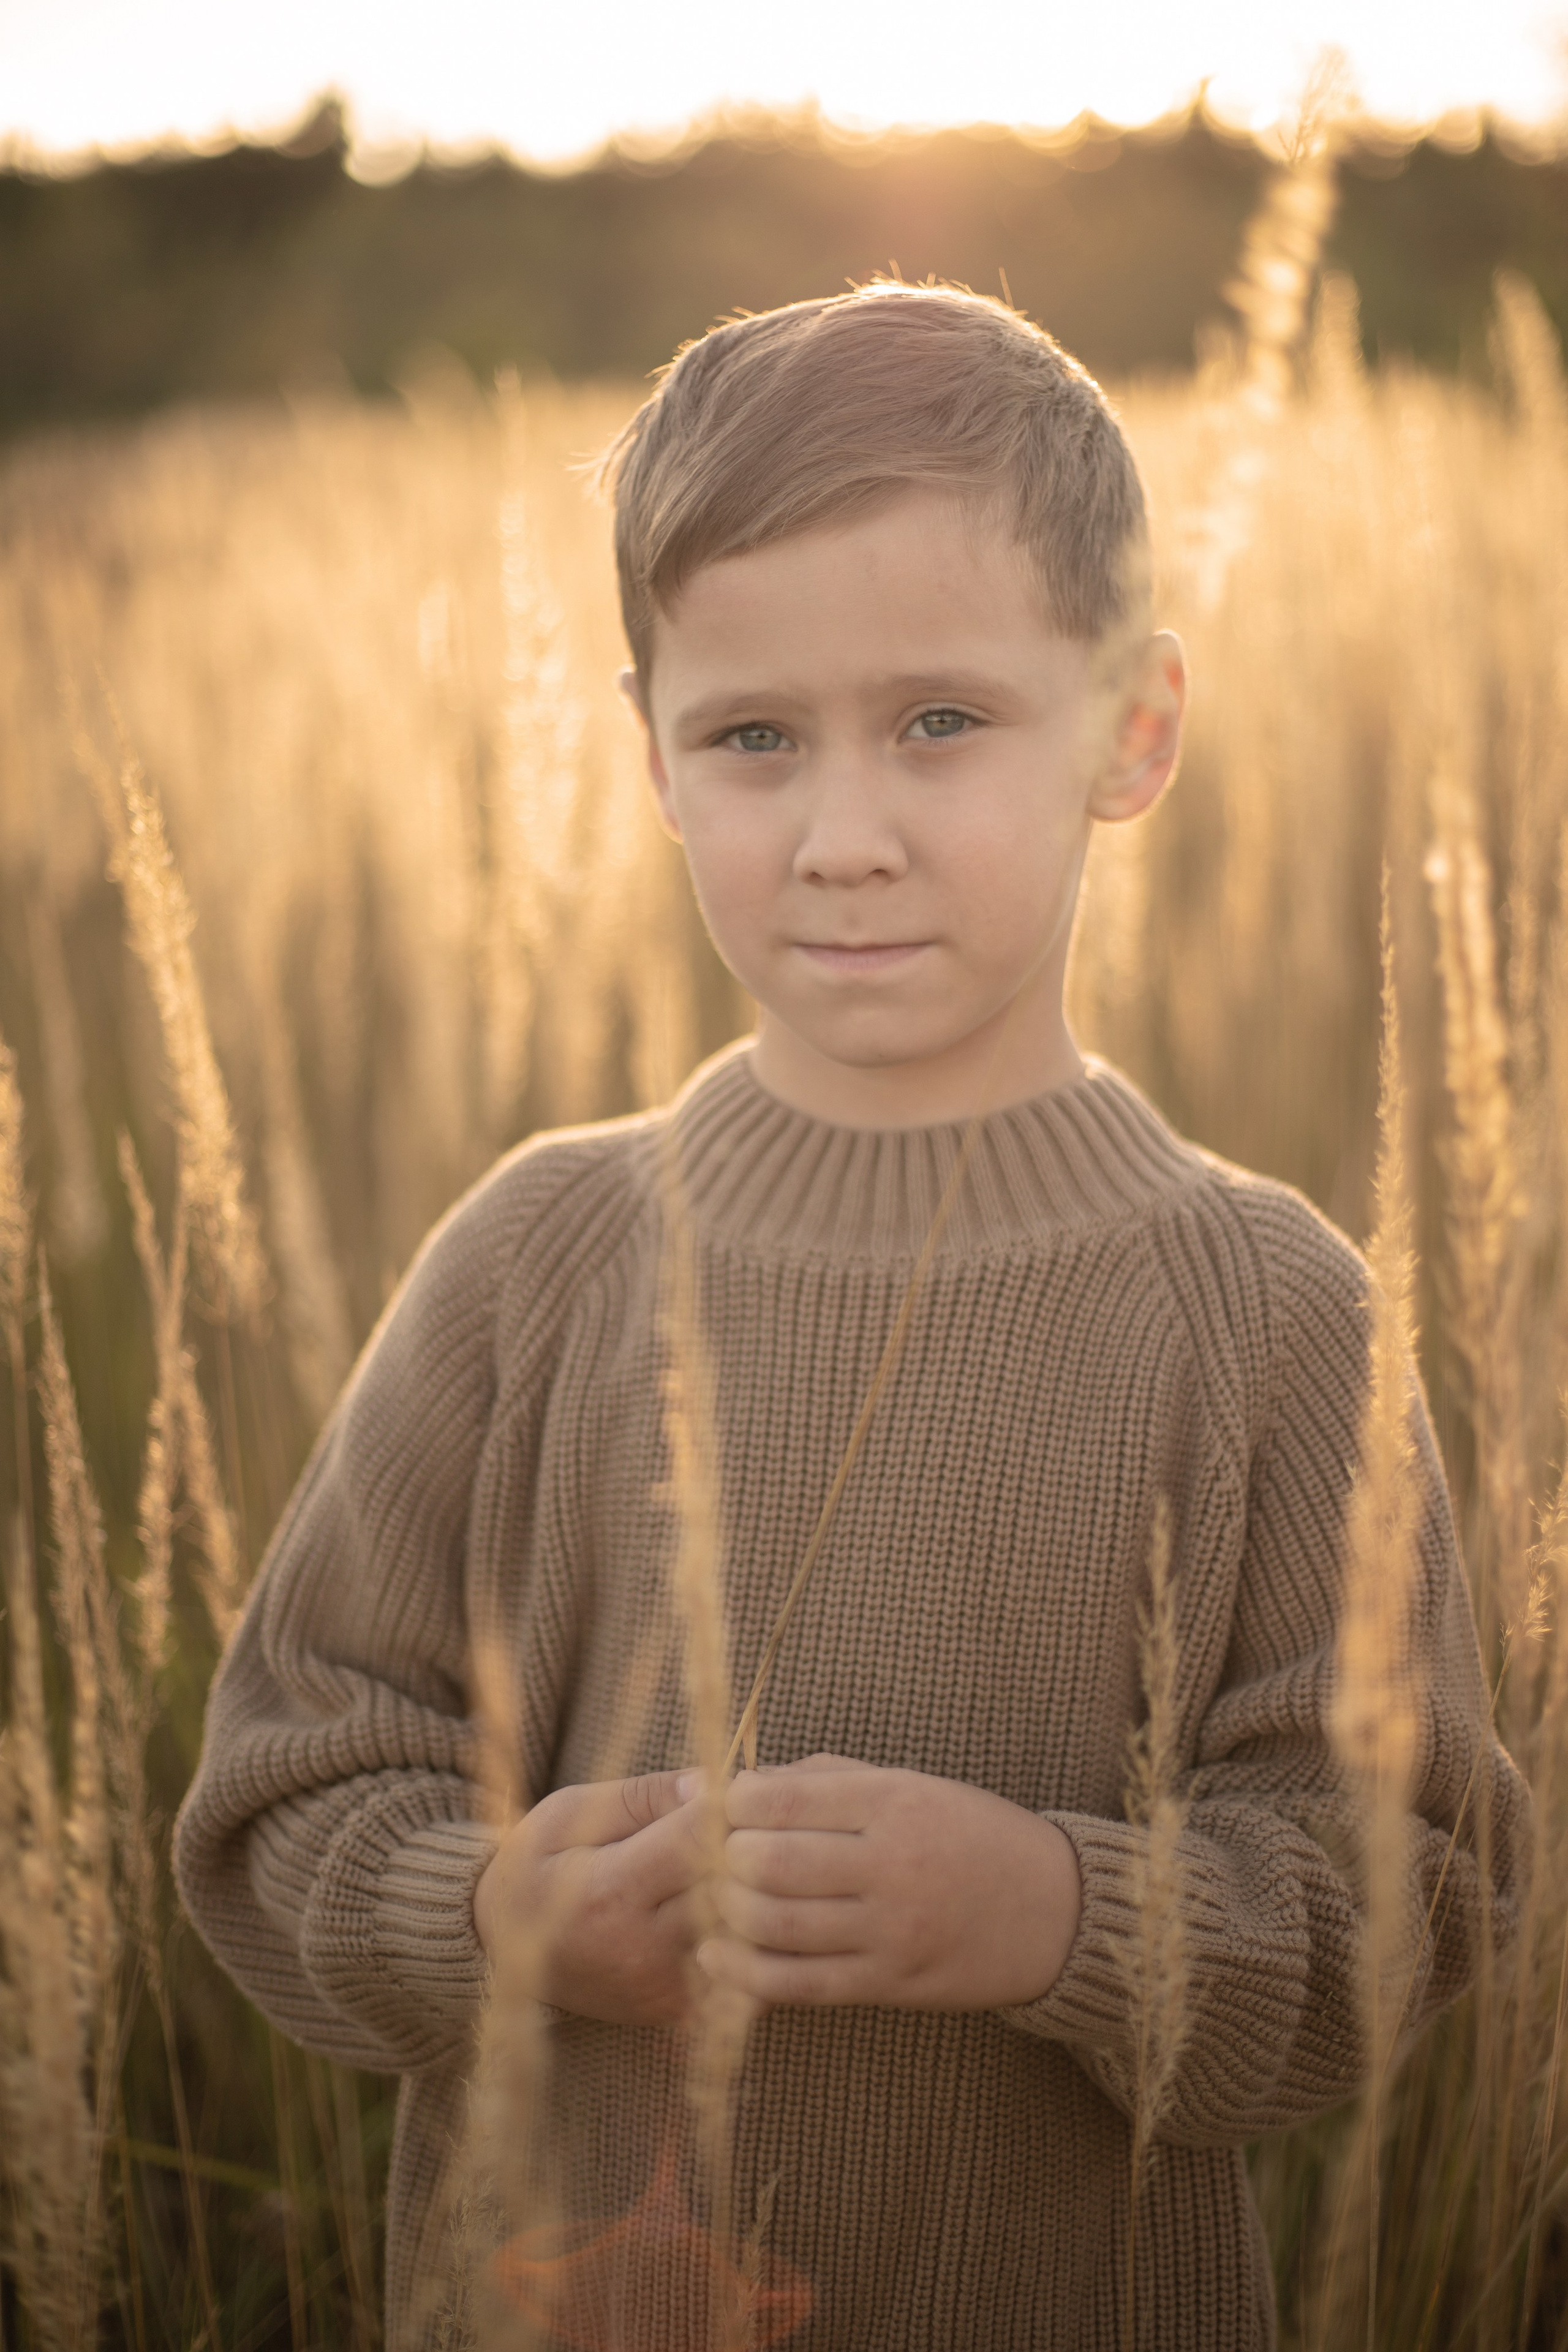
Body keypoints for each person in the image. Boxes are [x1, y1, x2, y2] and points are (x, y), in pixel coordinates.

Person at [175, 283, 1525, 2351]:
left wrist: (1062, 1919)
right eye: (753, 740)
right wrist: (493, 1916)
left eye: (942, 722)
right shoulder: (535, 1259)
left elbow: (1413, 1902)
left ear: (1132, 729)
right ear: (650, 758)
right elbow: (278, 1794)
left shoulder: (1273, 1316)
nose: (846, 836)